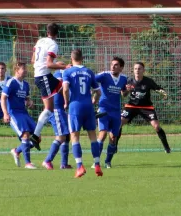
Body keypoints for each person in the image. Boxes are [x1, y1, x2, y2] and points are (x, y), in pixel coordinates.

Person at [62, 49, 102, 178]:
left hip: (75, 106)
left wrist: (66, 102)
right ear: (82, 58)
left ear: (71, 58)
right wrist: (93, 101)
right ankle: (97, 165)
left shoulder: (67, 72)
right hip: (88, 106)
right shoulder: (89, 72)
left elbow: (66, 89)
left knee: (74, 137)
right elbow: (98, 92)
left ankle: (79, 167)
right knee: (93, 136)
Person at [30, 23, 68, 149]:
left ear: (47, 32)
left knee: (66, 85)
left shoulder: (40, 41)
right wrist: (64, 66)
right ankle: (35, 135)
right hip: (43, 77)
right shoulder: (53, 45)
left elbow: (33, 60)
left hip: (42, 76)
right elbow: (49, 65)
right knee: (48, 109)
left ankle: (87, 111)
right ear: (57, 34)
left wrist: (56, 63)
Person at [120, 62, 170, 153]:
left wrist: (163, 92)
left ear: (143, 70)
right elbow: (123, 95)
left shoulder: (148, 81)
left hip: (146, 107)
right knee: (119, 123)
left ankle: (167, 148)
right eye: (135, 69)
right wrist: (127, 90)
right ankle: (114, 147)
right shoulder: (129, 81)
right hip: (132, 106)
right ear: (133, 70)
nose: (137, 70)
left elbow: (158, 88)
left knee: (157, 126)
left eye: (139, 69)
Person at [1, 62, 38, 169]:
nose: (26, 71)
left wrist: (29, 102)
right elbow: (3, 98)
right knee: (25, 135)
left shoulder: (26, 84)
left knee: (37, 137)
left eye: (26, 69)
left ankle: (16, 151)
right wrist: (5, 113)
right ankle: (28, 163)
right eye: (23, 69)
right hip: (14, 113)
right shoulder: (11, 82)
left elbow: (26, 98)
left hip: (23, 112)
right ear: (17, 70)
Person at [94, 57, 128, 168]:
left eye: (116, 65)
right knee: (102, 134)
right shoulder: (104, 75)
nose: (113, 66)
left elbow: (124, 93)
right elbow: (91, 80)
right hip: (103, 109)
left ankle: (108, 162)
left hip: (116, 112)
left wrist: (128, 90)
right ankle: (96, 162)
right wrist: (95, 93)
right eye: (112, 64)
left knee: (113, 138)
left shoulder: (124, 78)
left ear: (121, 68)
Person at [41, 69, 72, 170]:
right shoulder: (59, 74)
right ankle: (47, 160)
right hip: (56, 109)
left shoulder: (70, 74)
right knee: (61, 137)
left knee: (66, 136)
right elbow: (59, 88)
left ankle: (64, 164)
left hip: (63, 110)